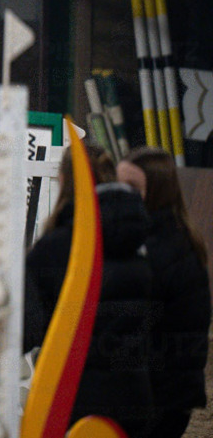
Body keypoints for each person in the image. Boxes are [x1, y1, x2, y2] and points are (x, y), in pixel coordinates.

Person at [24, 145, 155, 437]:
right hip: (134, 397)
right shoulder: (140, 244)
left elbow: (25, 326)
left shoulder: (54, 248)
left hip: (72, 397)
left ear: (65, 181)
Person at [117, 148, 210, 438]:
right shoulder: (161, 240)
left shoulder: (161, 249)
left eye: (132, 189)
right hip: (163, 393)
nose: (122, 196)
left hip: (158, 396)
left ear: (157, 193)